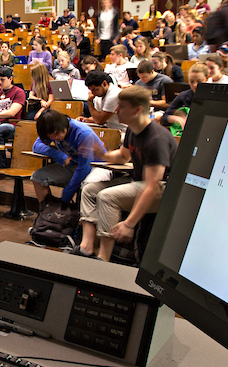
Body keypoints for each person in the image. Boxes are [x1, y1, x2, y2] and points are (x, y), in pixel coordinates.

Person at [70, 86, 177, 261]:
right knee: (89, 190)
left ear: (137, 110)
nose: (116, 110)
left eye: (121, 106)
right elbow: (123, 156)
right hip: (141, 182)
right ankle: (86, 247)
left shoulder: (156, 139)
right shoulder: (132, 130)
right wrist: (104, 155)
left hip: (166, 189)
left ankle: (103, 258)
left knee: (107, 196)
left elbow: (152, 187)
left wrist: (129, 224)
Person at [29, 108, 107, 207]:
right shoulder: (51, 129)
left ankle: (81, 218)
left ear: (61, 125)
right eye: (51, 137)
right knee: (37, 177)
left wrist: (66, 195)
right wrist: (57, 154)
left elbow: (84, 168)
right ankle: (47, 215)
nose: (55, 138)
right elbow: (36, 146)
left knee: (87, 186)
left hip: (96, 166)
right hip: (74, 165)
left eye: (57, 134)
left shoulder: (83, 133)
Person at [160, 62, 207, 137]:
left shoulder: (212, 97)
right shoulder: (184, 96)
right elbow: (164, 118)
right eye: (191, 81)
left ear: (207, 79)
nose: (195, 85)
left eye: (199, 81)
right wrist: (177, 118)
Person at [0, 66, 26, 143]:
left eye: (2, 80)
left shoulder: (19, 92)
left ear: (10, 79)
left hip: (11, 124)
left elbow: (12, 112)